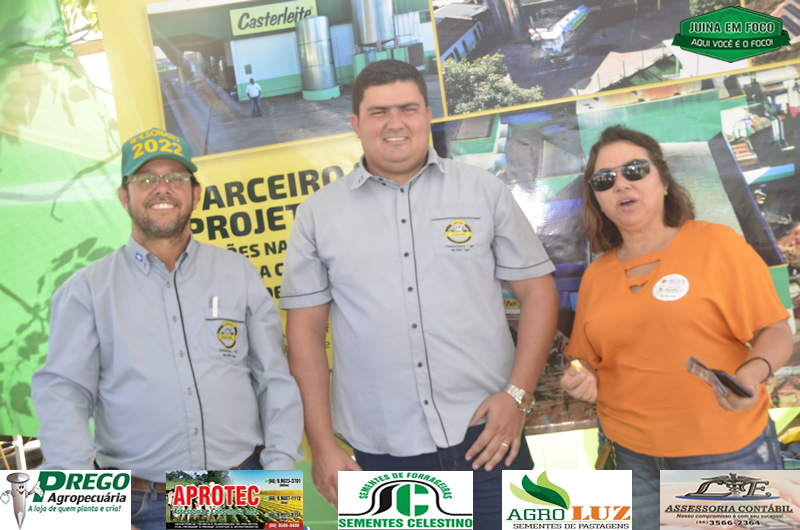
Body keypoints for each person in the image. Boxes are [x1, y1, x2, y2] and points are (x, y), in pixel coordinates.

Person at [279, 59, 558, 528]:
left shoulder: (483, 192)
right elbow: (303, 335)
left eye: (407, 109)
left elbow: (539, 293)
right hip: (382, 454)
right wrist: (323, 446)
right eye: (379, 112)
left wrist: (517, 396)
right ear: (356, 124)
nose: (395, 123)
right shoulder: (317, 215)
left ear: (427, 115)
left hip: (491, 438)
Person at [31, 127, 304, 530]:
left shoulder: (238, 273)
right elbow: (63, 397)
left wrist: (277, 477)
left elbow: (274, 380)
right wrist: (90, 513)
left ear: (195, 193)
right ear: (124, 197)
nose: (162, 188)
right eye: (145, 179)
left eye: (175, 177)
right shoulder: (85, 291)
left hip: (243, 489)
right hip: (141, 506)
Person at [560, 125, 793, 529]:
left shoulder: (717, 245)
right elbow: (586, 361)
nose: (620, 184)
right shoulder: (597, 276)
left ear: (664, 182)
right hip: (627, 457)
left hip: (723, 453)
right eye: (604, 180)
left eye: (635, 170)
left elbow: (775, 330)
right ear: (596, 197)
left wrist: (751, 374)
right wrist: (580, 379)